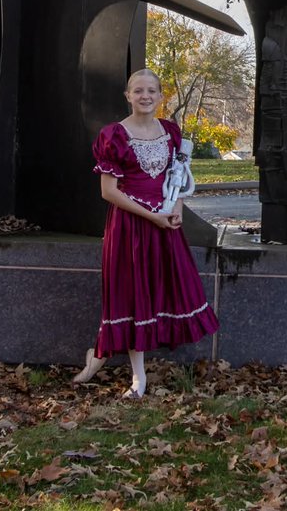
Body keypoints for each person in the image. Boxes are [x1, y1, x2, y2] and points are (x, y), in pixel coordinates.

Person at [72, 69, 220, 398]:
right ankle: (139, 378)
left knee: (161, 292)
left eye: (151, 90)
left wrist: (176, 209)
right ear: (128, 96)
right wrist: (151, 216)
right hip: (129, 226)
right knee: (132, 295)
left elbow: (179, 175)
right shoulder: (113, 136)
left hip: (165, 224)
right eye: (138, 90)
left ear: (161, 95)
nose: (145, 96)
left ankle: (98, 356)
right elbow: (108, 192)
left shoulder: (170, 130)